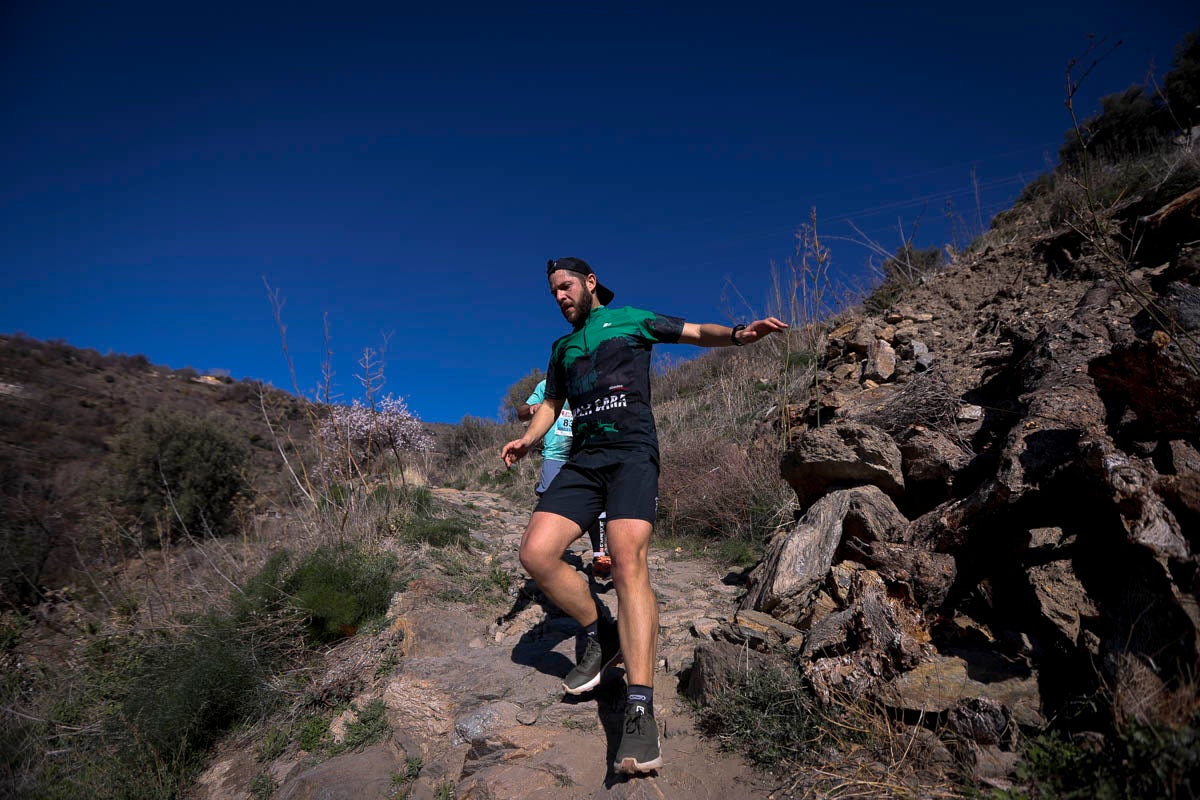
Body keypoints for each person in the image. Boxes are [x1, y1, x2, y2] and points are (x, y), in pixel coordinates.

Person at [501, 257, 786, 775]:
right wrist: (527, 440)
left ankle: (638, 707)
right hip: (583, 461)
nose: (560, 297)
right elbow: (554, 400)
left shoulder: (631, 319)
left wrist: (742, 335)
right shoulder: (562, 348)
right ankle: (601, 630)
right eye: (553, 293)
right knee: (536, 554)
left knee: (629, 562)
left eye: (566, 287)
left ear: (590, 283)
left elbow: (697, 331)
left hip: (632, 452)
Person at [516, 379, 610, 577]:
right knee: (551, 504)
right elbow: (521, 413)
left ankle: (600, 556)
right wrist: (533, 408)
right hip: (555, 456)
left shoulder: (591, 382)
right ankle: (547, 550)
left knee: (598, 503)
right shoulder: (547, 386)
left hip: (586, 453)